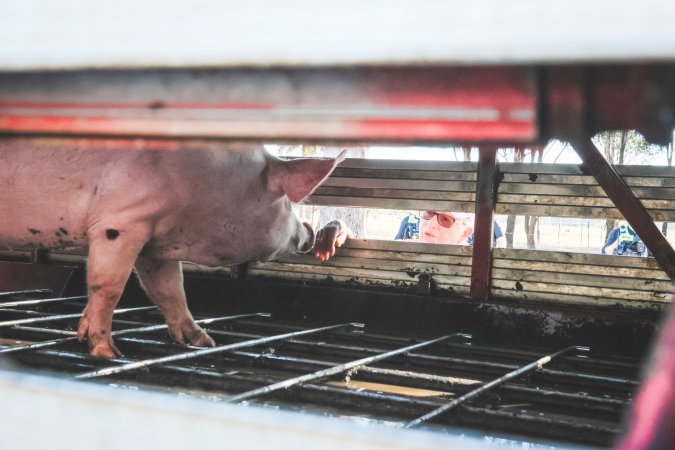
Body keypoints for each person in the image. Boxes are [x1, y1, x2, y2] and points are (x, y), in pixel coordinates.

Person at [313, 210, 474, 261]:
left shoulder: (476, 269)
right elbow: (369, 260)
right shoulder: (403, 250)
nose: (430, 223)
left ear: (465, 233)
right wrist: (343, 231)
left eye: (445, 219)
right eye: (427, 213)